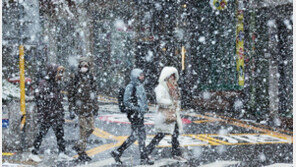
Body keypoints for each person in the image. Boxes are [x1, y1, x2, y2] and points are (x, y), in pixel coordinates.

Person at [111, 69, 154, 165]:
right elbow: (126, 101)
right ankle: (143, 157)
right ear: (136, 76)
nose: (143, 77)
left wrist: (145, 108)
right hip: (134, 114)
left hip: (139, 114)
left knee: (137, 135)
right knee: (140, 135)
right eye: (141, 75)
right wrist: (137, 109)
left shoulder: (139, 85)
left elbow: (142, 99)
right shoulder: (131, 86)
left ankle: (118, 152)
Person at [31, 64, 71, 161]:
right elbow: (39, 97)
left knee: (60, 135)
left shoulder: (56, 83)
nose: (60, 75)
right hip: (47, 115)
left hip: (56, 114)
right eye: (58, 72)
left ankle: (62, 152)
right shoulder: (44, 83)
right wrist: (51, 98)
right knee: (41, 134)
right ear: (53, 72)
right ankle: (33, 153)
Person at [145, 66, 186, 161]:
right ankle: (147, 152)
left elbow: (177, 100)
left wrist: (176, 100)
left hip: (173, 115)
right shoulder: (161, 87)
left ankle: (176, 153)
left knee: (175, 135)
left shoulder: (174, 87)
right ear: (166, 76)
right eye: (171, 76)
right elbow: (160, 100)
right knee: (160, 135)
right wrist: (171, 103)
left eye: (174, 76)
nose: (173, 78)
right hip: (164, 115)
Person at [68, 56, 99, 163]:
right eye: (82, 66)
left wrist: (96, 107)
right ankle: (82, 152)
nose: (84, 68)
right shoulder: (75, 77)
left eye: (86, 66)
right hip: (80, 108)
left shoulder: (91, 77)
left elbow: (94, 93)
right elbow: (70, 94)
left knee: (91, 129)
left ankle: (78, 146)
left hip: (89, 108)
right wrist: (71, 108)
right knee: (83, 130)